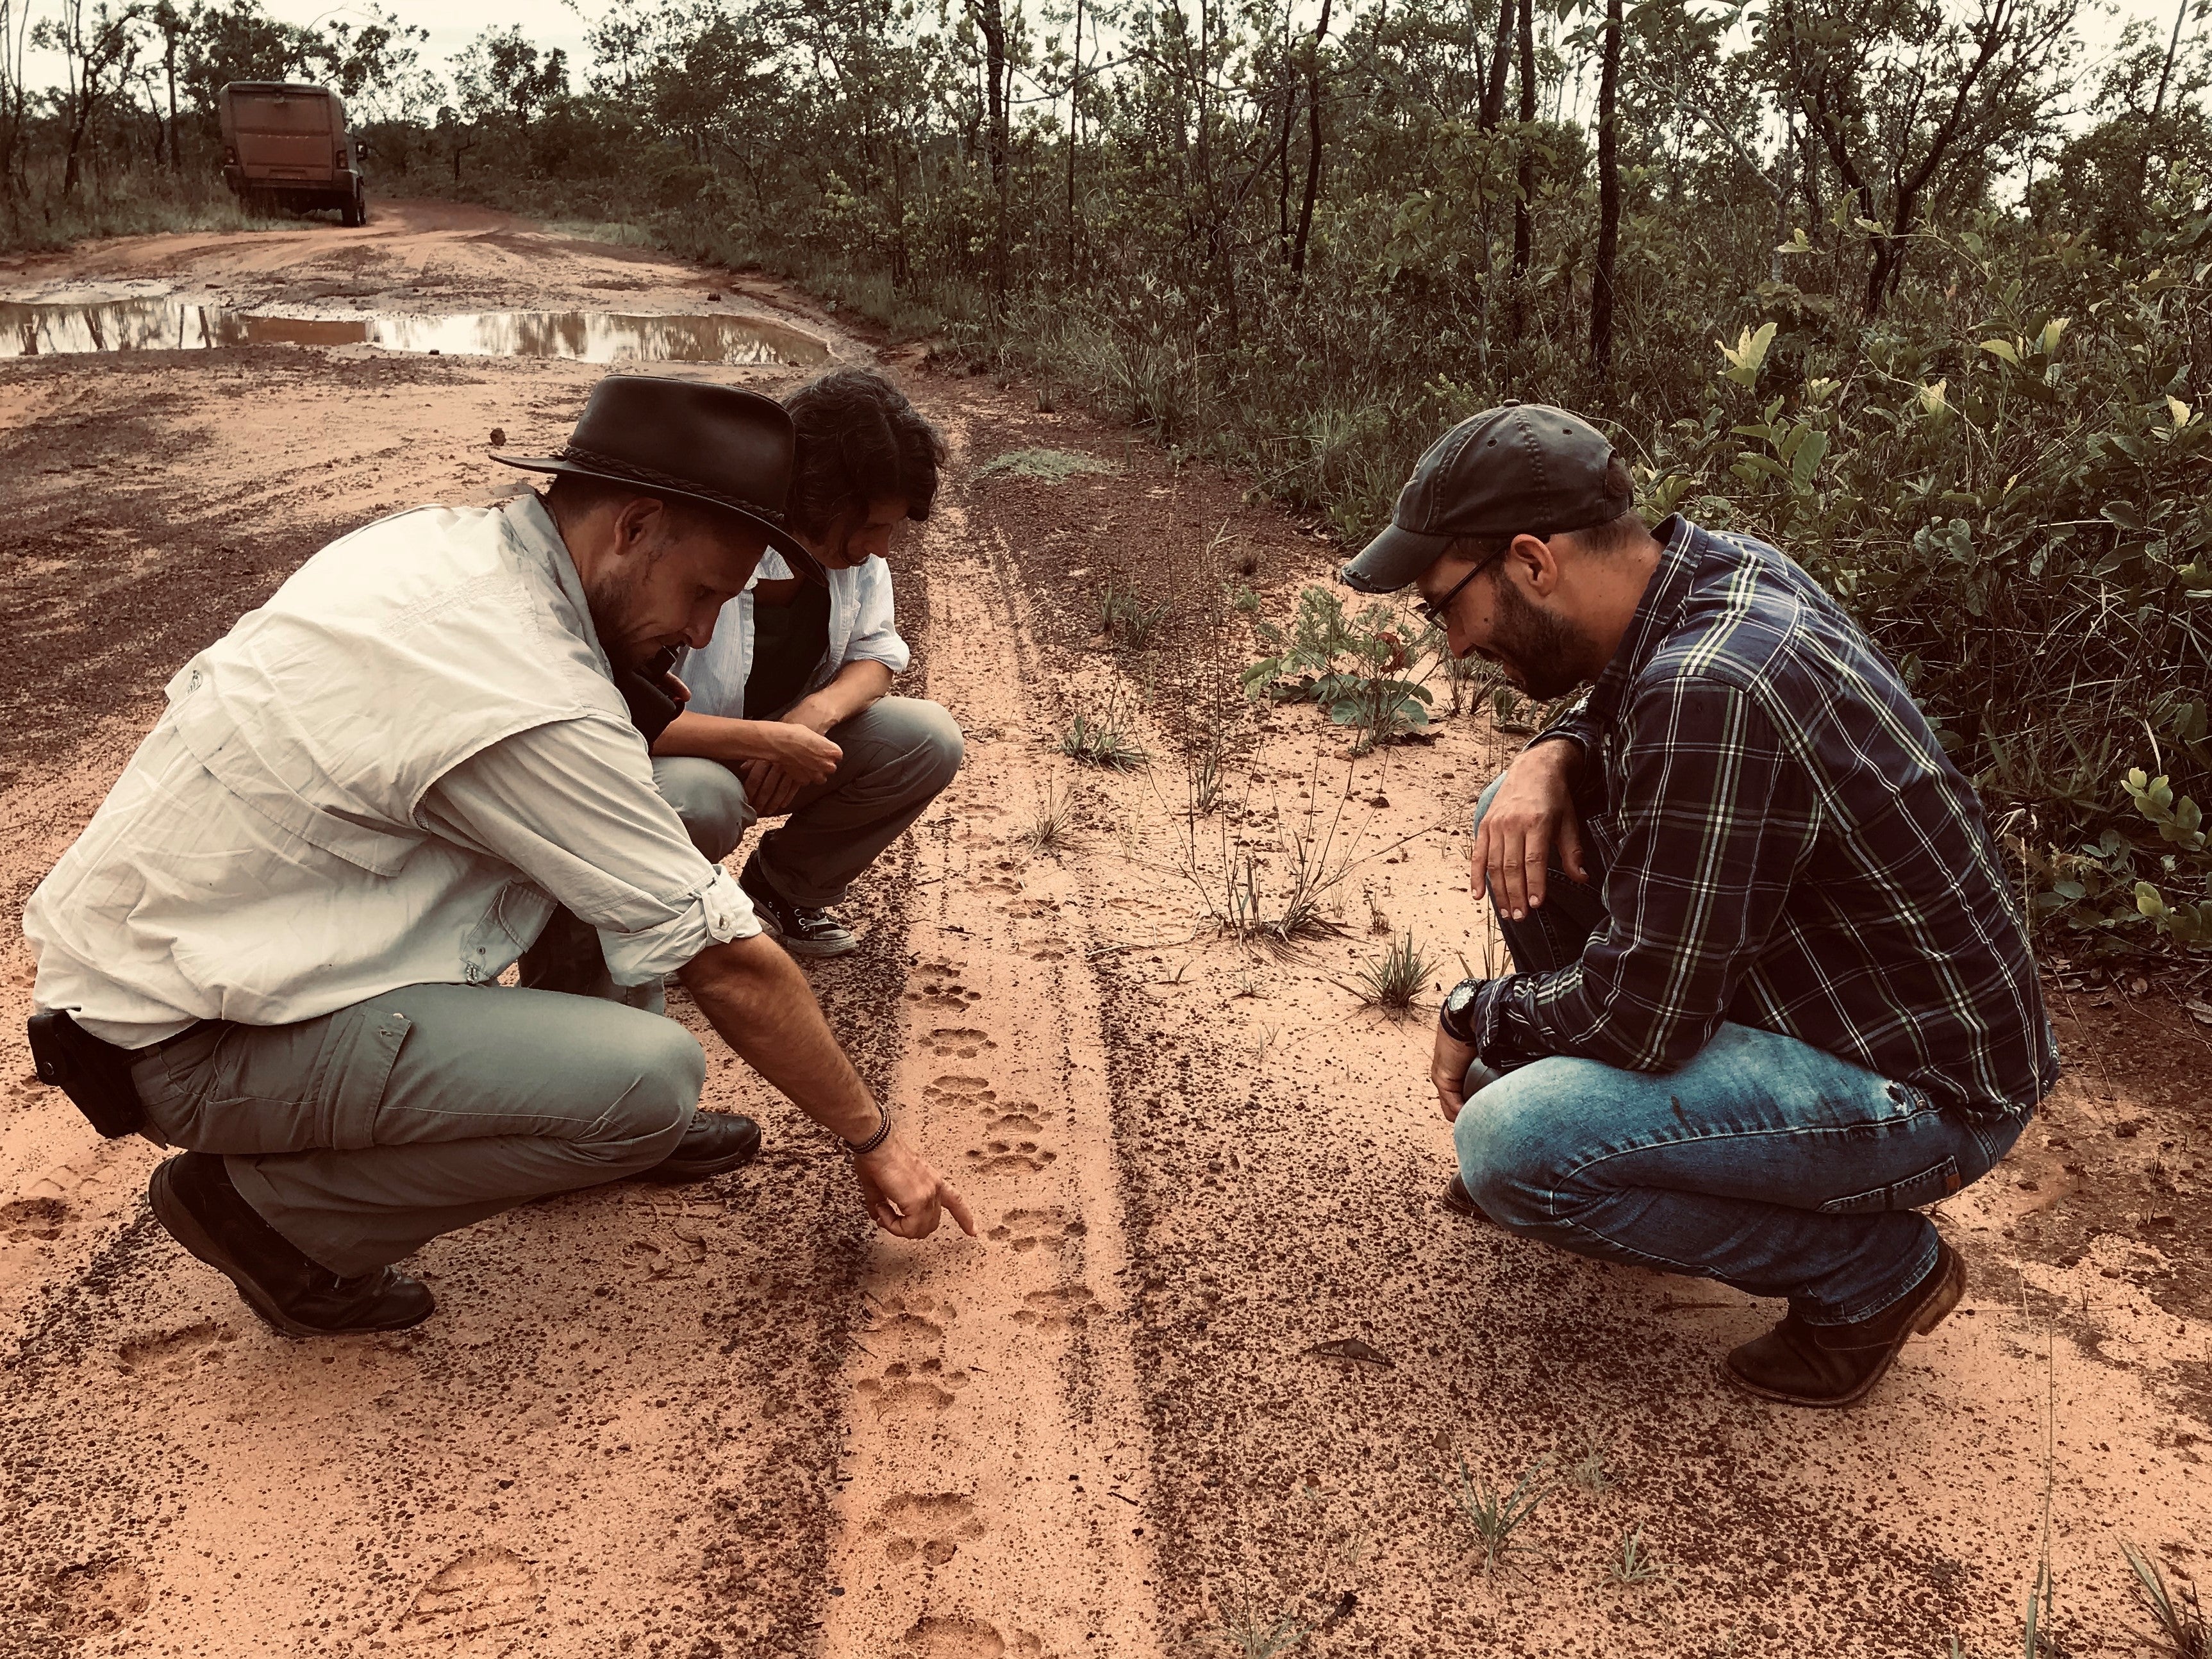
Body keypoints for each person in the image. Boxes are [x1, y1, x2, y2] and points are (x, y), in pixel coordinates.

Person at [22, 376, 975, 1340]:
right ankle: (272, 1219)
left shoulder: (433, 548)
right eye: (702, 597)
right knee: (644, 1085)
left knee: (604, 899)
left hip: (159, 977)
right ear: (633, 527)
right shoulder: (527, 686)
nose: (697, 634)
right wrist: (875, 1140)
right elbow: (723, 960)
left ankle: (343, 1149)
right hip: (187, 1039)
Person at [1341, 402, 2057, 1409]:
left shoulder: (1709, 687)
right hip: (1848, 1001)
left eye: (1444, 605)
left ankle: (1870, 1275)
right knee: (1512, 809)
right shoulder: (1718, 574)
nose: (1452, 643)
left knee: (1512, 1149)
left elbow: (1644, 1014)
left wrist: (1474, 1011)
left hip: (1922, 1092)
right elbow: (1626, 689)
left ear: (1533, 562)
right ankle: (1635, 1150)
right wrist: (1554, 750)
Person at [651, 367, 962, 960]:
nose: (881, 548)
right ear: (816, 494)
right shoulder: (701, 547)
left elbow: (875, 656)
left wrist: (813, 716)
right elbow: (623, 718)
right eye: (871, 525)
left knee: (927, 739)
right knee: (702, 797)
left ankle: (785, 890)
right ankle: (658, 917)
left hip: (778, 744)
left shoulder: (853, 557)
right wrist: (768, 741)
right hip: (668, 757)